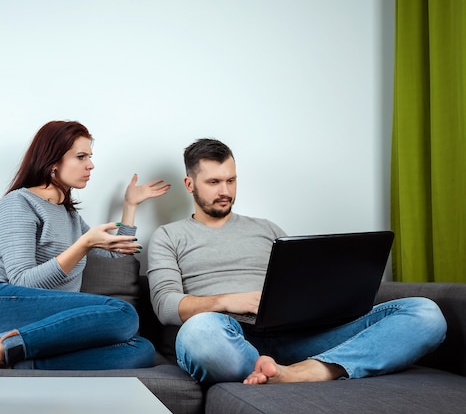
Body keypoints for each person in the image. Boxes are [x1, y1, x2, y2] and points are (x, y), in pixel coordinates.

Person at [146, 138, 446, 384]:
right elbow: (166, 305)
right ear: (189, 184)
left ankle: (308, 371)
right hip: (229, 336)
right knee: (198, 334)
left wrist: (327, 296)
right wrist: (228, 301)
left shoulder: (266, 229)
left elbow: (302, 279)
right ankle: (268, 369)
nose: (225, 191)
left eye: (231, 180)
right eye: (213, 182)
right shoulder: (169, 236)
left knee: (425, 313)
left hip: (297, 337)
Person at [0, 120, 170, 371]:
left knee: (140, 349)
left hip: (40, 325)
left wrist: (130, 205)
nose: (90, 165)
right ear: (52, 162)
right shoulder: (19, 203)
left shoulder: (70, 217)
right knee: (123, 313)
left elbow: (119, 252)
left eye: (90, 156)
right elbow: (22, 281)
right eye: (80, 157)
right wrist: (83, 245)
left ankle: (9, 358)